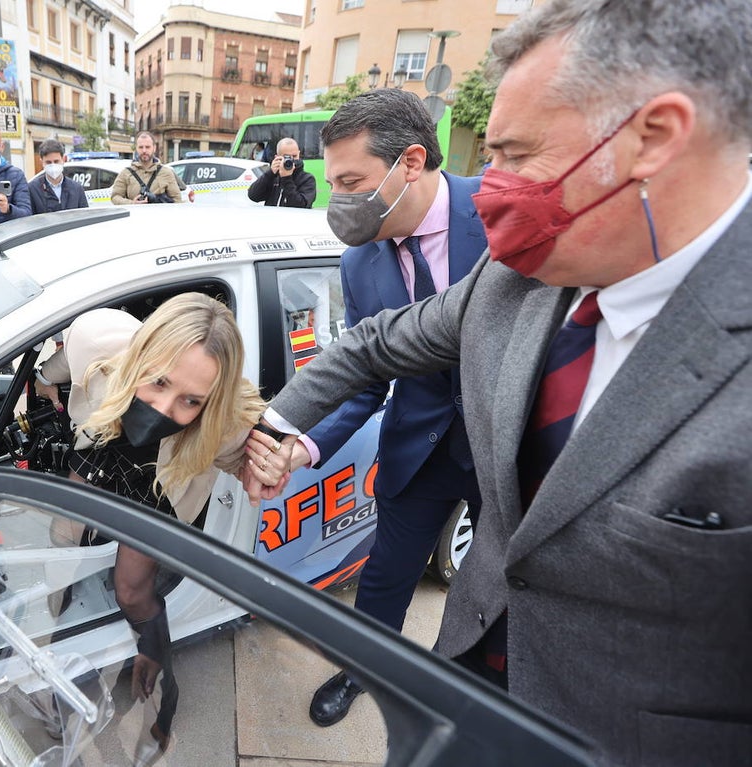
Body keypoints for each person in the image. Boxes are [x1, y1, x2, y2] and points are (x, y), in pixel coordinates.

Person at [246, 1, 752, 765]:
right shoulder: (519, 276)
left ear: (653, 136)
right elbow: (373, 348)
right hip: (465, 685)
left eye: (516, 155)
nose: (494, 188)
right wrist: (281, 429)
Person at [283, 89, 486, 728]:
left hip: (499, 448)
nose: (338, 200)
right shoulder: (359, 262)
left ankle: (471, 684)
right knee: (384, 583)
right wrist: (304, 444)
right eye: (331, 183)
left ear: (410, 162)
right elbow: (366, 377)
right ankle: (363, 669)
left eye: (351, 182)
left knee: (494, 585)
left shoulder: (497, 215)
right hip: (415, 450)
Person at [33, 293, 285, 762]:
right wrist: (45, 379)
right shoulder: (97, 341)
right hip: (99, 453)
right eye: (157, 380)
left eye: (191, 400)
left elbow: (248, 457)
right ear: (141, 354)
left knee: (131, 590)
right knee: (62, 546)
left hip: (156, 489)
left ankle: (159, 699)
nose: (165, 407)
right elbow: (63, 362)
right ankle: (51, 665)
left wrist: (265, 468)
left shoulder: (227, 421)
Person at [110, 132, 183, 205]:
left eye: (147, 147)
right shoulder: (125, 173)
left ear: (154, 148)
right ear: (136, 148)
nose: (144, 151)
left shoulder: (166, 172)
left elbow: (177, 200)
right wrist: (132, 203)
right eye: (141, 147)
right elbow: (115, 197)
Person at [246, 137, 317, 208]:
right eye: (287, 157)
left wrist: (286, 179)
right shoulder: (273, 177)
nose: (291, 160)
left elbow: (301, 206)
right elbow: (253, 196)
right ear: (277, 157)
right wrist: (270, 173)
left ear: (299, 154)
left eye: (294, 156)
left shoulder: (307, 179)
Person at [29, 139, 89, 214]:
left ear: (63, 159)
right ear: (42, 162)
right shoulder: (33, 189)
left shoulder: (76, 189)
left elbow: (84, 217)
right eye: (48, 162)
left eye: (56, 161)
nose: (53, 165)